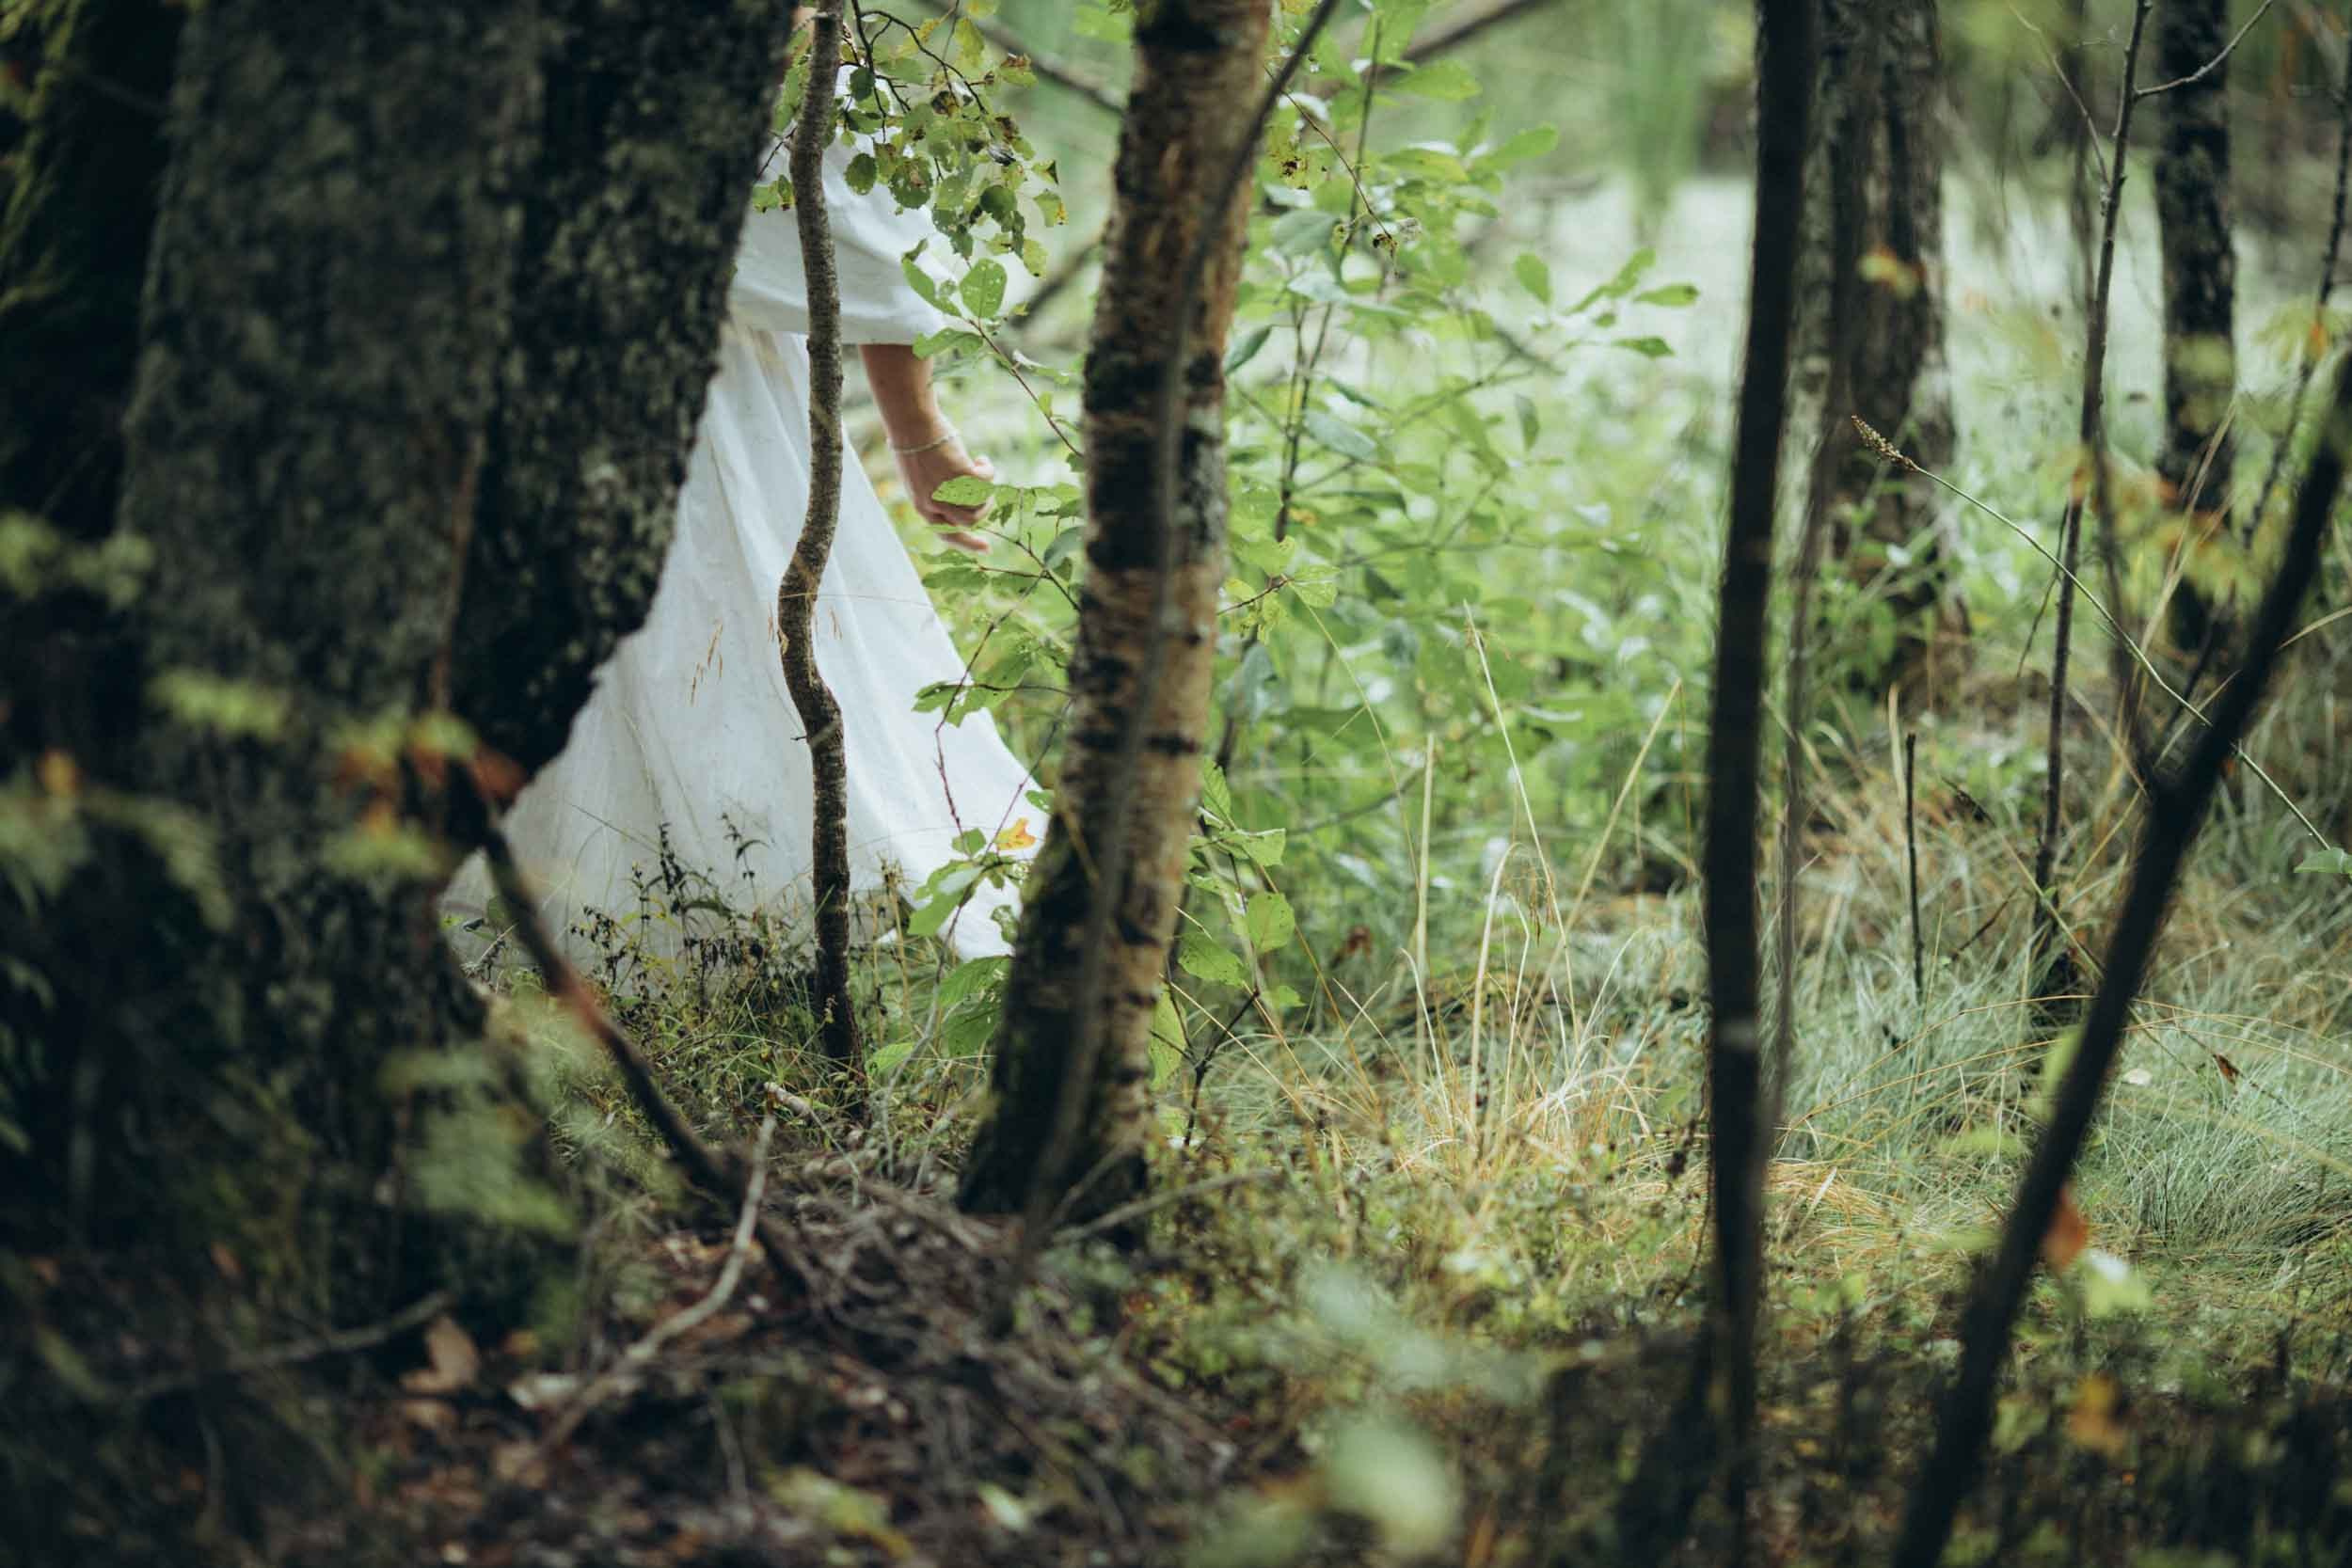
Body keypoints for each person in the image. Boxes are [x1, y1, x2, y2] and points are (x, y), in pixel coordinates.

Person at [448, 110, 1040, 963]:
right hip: (685, 396)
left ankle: (597, 968)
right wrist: (916, 429)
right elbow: (839, 175)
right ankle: (675, 967)